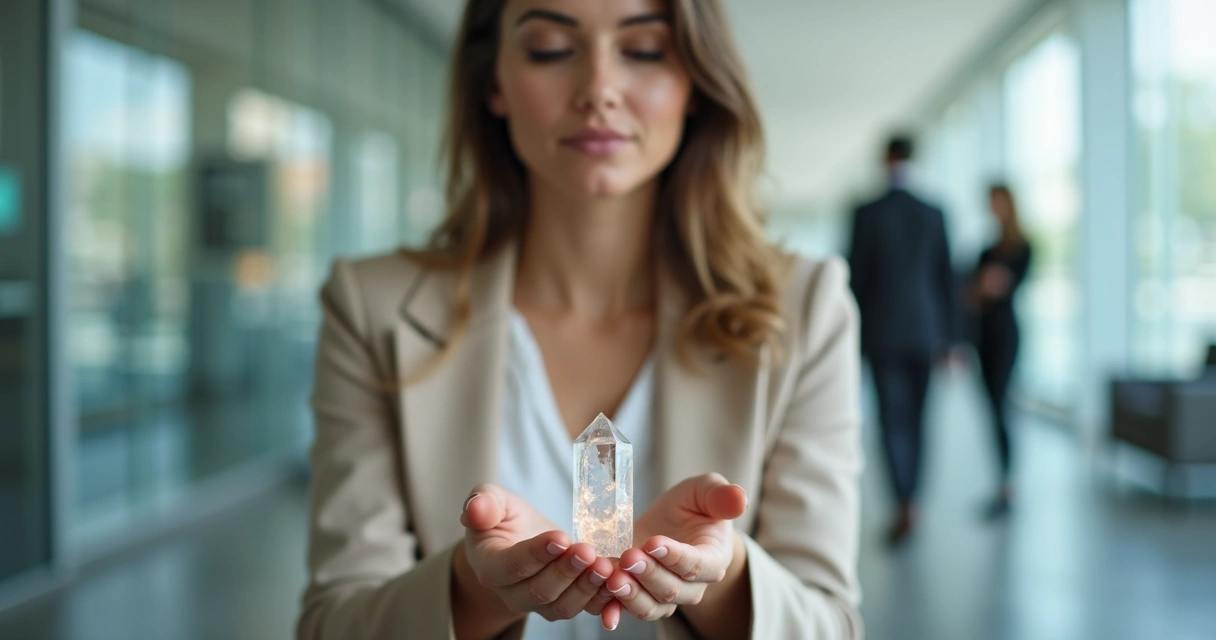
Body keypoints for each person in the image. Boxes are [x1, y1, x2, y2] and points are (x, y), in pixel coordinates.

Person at [297, 1, 864, 639]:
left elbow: (830, 625)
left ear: (697, 83)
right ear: (493, 82)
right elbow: (333, 626)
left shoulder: (805, 307)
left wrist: (724, 575)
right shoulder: (370, 306)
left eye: (645, 50)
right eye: (549, 48)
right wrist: (471, 590)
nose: (598, 90)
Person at [847, 135, 956, 545]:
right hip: (926, 331)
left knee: (893, 419)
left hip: (882, 332)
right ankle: (915, 501)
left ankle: (902, 501)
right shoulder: (934, 212)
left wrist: (851, 342)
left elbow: (855, 280)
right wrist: (952, 340)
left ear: (885, 158)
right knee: (920, 420)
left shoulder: (867, 212)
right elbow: (947, 277)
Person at [968, 184, 1031, 520]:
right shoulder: (986, 251)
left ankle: (1008, 484)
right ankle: (1000, 482)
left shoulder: (1022, 247)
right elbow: (973, 292)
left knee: (1002, 405)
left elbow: (1003, 285)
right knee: (990, 409)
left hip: (1006, 335)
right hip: (983, 335)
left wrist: (987, 285)